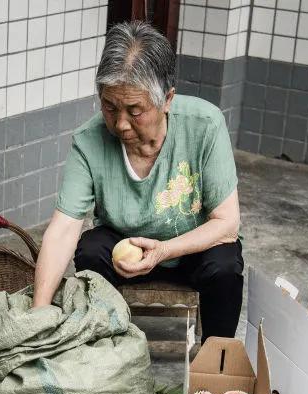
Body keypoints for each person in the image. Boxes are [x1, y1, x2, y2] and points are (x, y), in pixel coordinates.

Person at [32, 21, 244, 340]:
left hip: (188, 248)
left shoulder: (205, 125)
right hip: (125, 252)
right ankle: (105, 350)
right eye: (109, 106)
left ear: (167, 100)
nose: (120, 123)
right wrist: (39, 311)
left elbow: (227, 223)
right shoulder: (89, 141)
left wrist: (164, 250)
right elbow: (62, 229)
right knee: (91, 250)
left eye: (135, 110)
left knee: (225, 264)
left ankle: (217, 364)